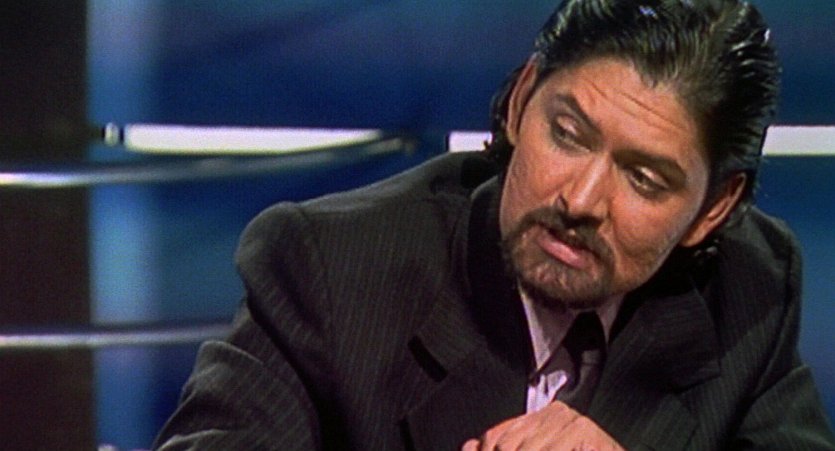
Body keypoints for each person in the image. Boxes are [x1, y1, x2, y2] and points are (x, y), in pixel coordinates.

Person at [154, 0, 835, 449]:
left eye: (643, 179)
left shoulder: (749, 287)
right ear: (519, 102)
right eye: (567, 134)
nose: (581, 199)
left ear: (713, 209)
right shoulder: (329, 266)